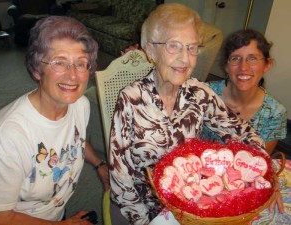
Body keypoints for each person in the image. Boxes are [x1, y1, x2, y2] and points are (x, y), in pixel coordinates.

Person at [108, 3, 267, 225]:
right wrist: (145, 221)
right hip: (146, 207)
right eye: (174, 46)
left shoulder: (198, 92)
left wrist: (261, 175)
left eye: (192, 48)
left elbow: (243, 133)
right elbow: (120, 175)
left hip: (193, 205)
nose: (185, 58)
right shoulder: (131, 99)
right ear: (151, 51)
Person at [0, 16, 109, 225]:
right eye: (59, 63)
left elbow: (76, 139)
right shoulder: (9, 135)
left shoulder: (79, 105)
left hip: (55, 212)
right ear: (37, 69)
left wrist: (99, 164)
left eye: (80, 64)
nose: (72, 75)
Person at [201, 28, 289, 224]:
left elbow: (259, 161)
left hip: (240, 182)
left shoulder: (275, 112)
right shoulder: (205, 95)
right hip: (199, 174)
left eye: (253, 58)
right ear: (225, 66)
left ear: (267, 64)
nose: (243, 67)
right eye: (235, 58)